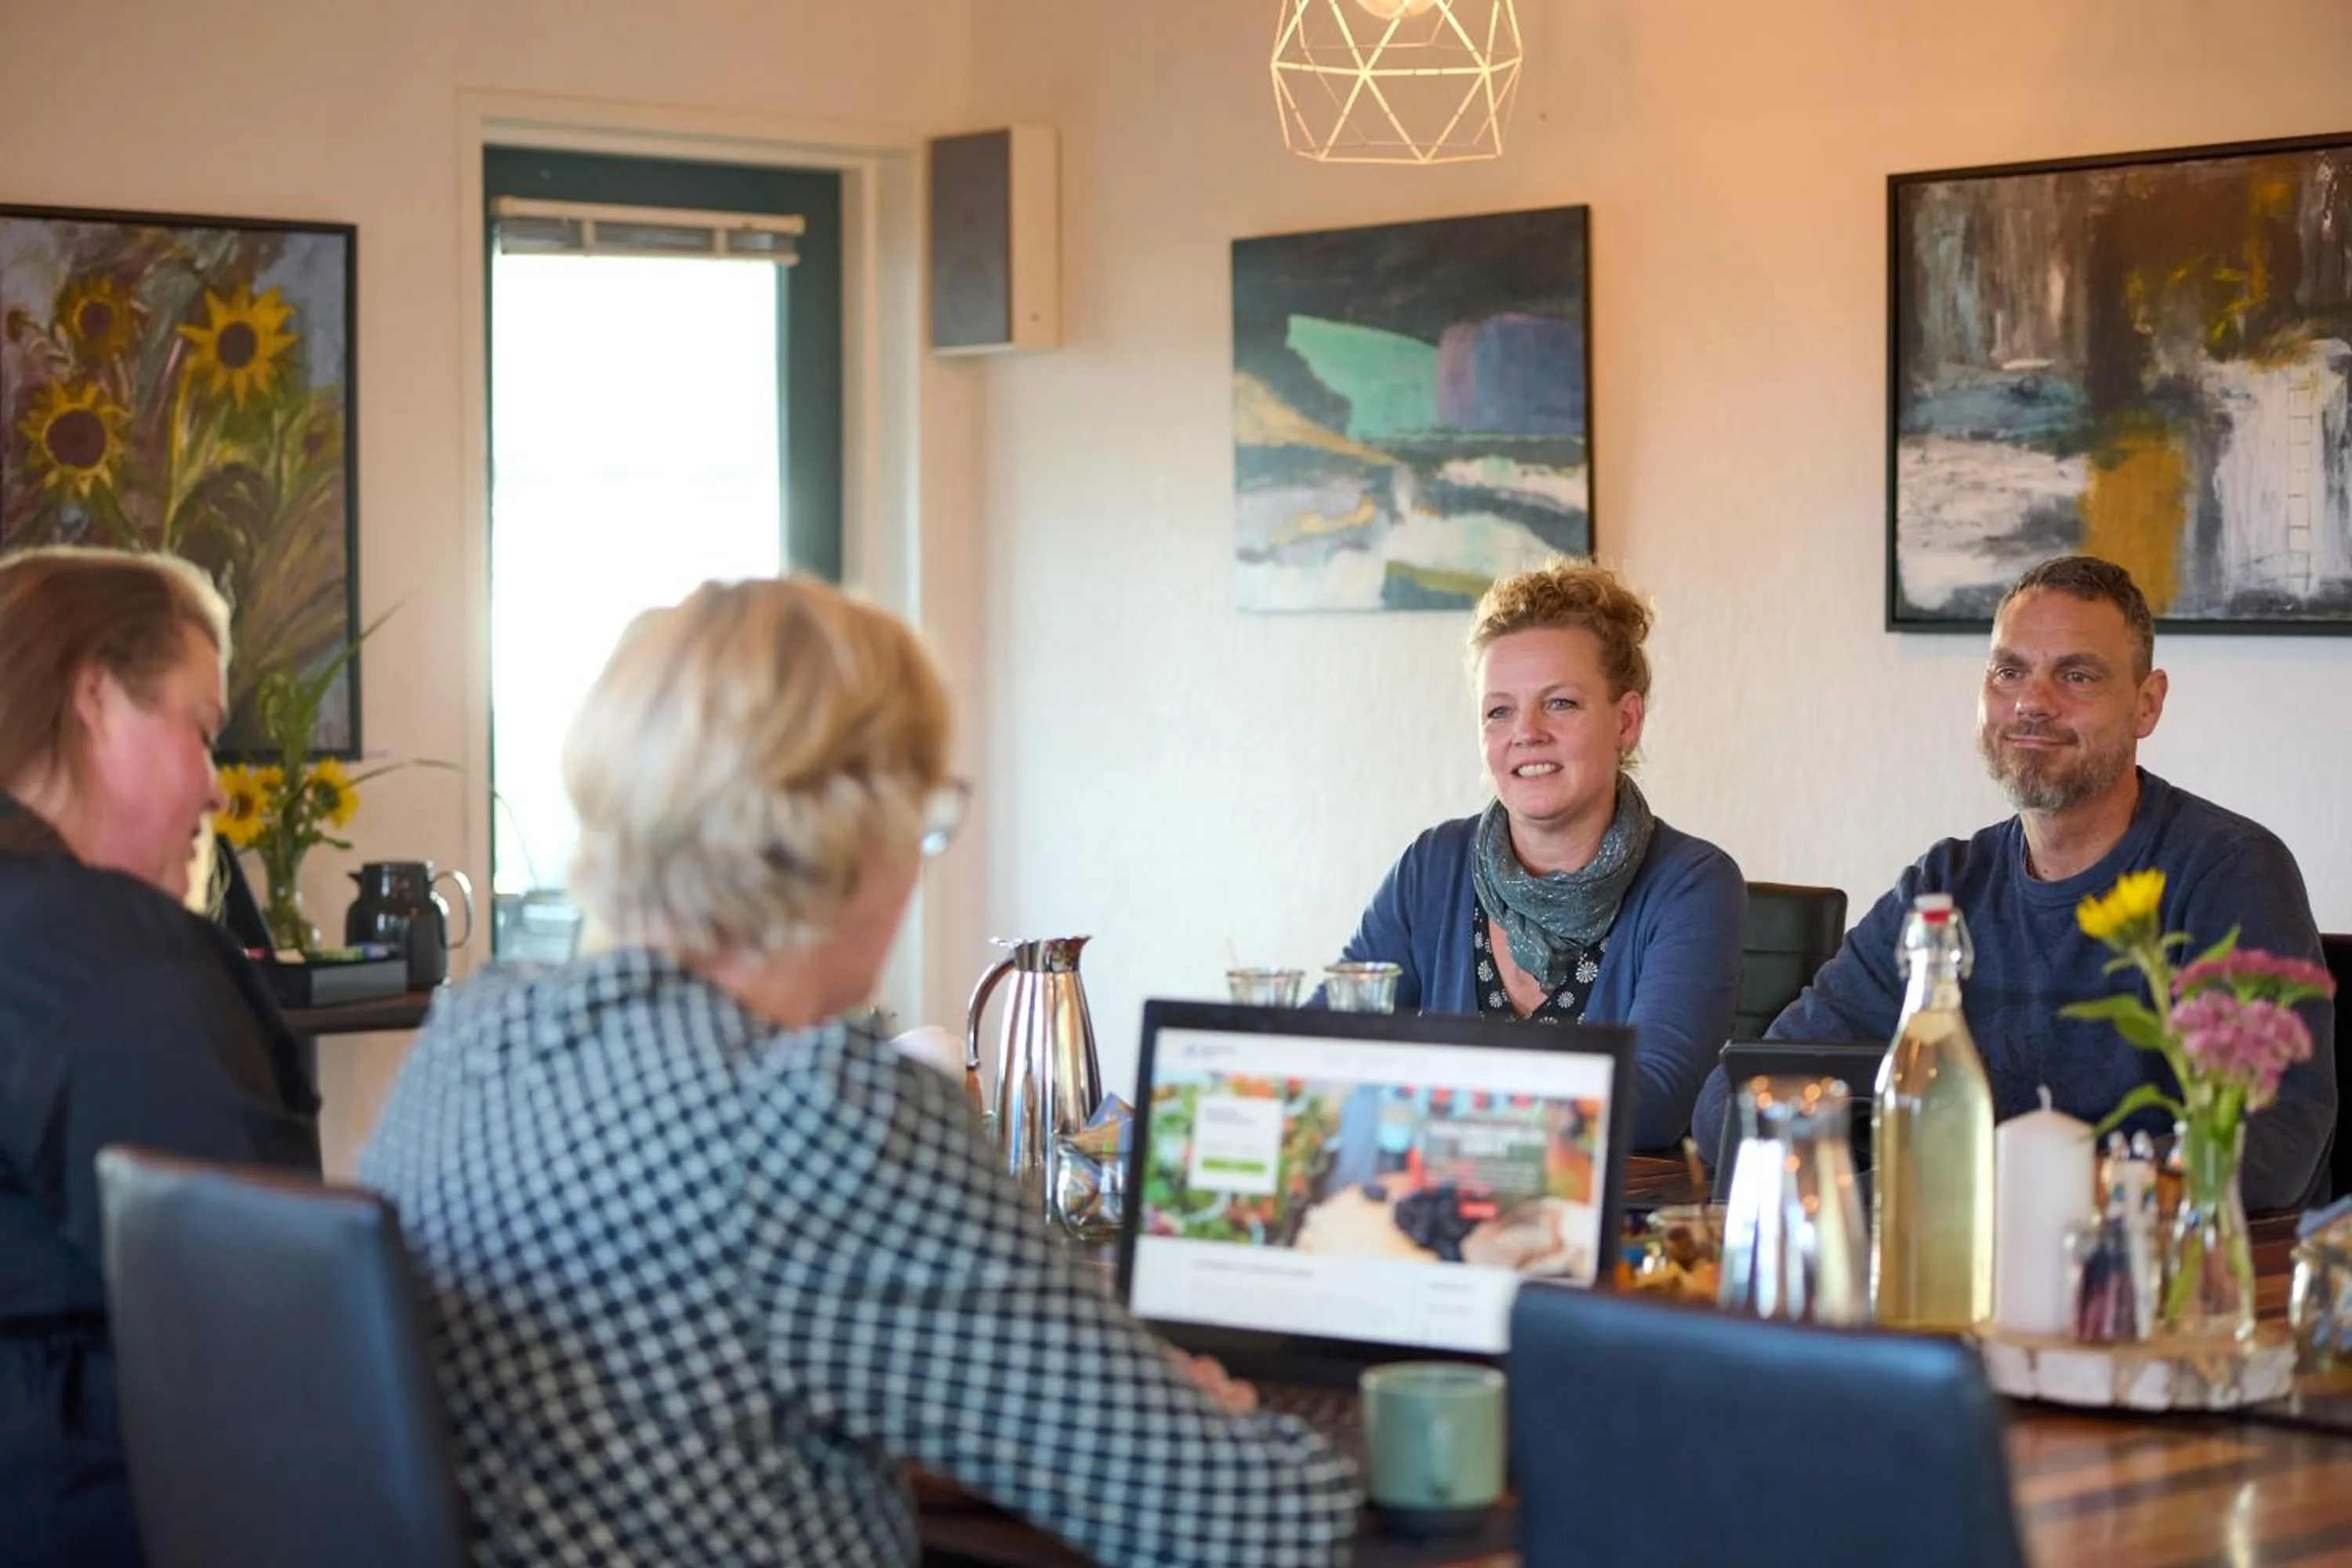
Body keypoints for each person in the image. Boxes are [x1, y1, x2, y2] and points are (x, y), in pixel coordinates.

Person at [360, 576, 1359, 1566]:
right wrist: (1204, 1418)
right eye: (925, 815)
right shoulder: (816, 1115)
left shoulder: (471, 1035)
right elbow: (1258, 1522)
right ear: (848, 832)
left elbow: (698, 1406)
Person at [1691, 556, 2336, 1212]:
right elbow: (1731, 1106)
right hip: (1955, 1280)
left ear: (2148, 704)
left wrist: (1992, 1186)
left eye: (2077, 675)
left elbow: (2272, 1144)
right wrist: (1912, 1172)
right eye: (2009, 671)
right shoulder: (1941, 889)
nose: (2033, 702)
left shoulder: (2228, 871)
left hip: (2167, 1290)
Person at [0, 546, 321, 1566]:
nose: (218, 791)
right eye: (203, 729)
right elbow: (256, 1338)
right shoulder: (118, 967)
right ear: (96, 694)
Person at [1334, 559, 1748, 1151]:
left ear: (1625, 721)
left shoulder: (1692, 885)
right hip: (1437, 1221)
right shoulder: (1434, 865)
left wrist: (1414, 1105)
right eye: (1499, 710)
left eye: (1560, 704)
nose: (1525, 732)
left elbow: (1652, 1103)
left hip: (1615, 1232)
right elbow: (1328, 1044)